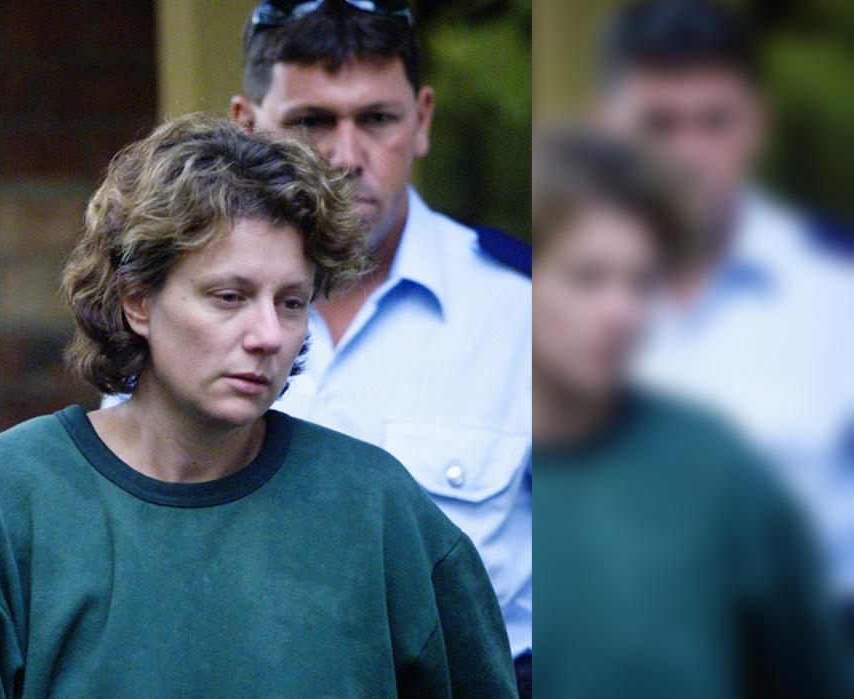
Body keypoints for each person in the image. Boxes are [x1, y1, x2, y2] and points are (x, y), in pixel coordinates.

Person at [0, 114, 517, 698]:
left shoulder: (381, 513)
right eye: (229, 297)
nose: (268, 334)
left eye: (291, 303)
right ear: (138, 301)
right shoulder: (0, 506)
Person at [227, 1, 534, 687]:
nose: (345, 156)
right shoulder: (181, 316)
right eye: (311, 121)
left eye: (376, 119)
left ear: (421, 119)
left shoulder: (529, 314)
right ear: (247, 126)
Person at [532, 129, 852, 698]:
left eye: (641, 282)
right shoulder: (486, 443)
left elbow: (813, 675)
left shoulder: (714, 469)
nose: (622, 311)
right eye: (589, 278)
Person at [596, 0, 854, 630]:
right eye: (661, 125)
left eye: (715, 121)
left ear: (756, 126)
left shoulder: (835, 293)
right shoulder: (546, 296)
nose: (689, 153)